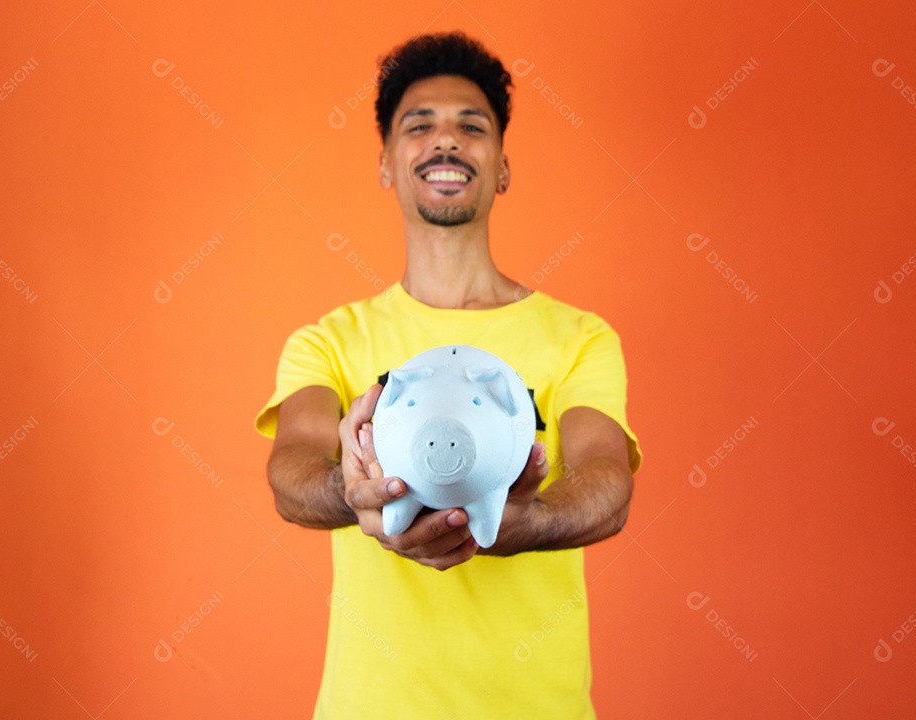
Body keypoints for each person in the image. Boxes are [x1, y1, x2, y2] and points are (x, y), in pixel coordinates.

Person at [255, 31, 641, 720]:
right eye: (419, 126)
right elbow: (291, 473)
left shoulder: (581, 339)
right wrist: (361, 493)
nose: (447, 141)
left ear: (501, 168)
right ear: (385, 164)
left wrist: (521, 522)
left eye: (472, 126)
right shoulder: (330, 342)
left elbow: (608, 484)